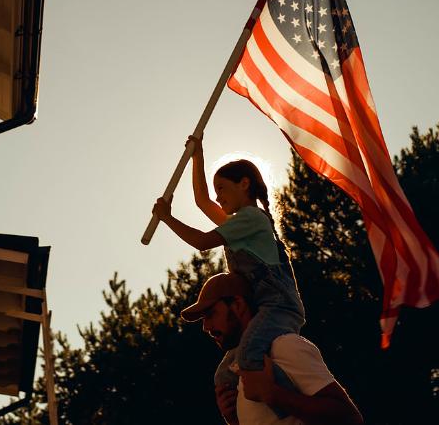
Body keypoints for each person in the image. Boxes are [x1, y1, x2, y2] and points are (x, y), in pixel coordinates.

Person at [153, 135, 305, 398]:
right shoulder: (240, 224)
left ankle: (293, 403)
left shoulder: (251, 218)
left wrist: (167, 218)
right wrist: (197, 155)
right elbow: (202, 201)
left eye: (222, 188)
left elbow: (201, 241)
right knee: (225, 373)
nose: (217, 196)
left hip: (279, 307)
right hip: (263, 309)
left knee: (247, 356)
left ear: (244, 184)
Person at [183, 272, 364, 425]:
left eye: (210, 314)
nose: (205, 327)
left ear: (238, 305)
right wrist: (233, 418)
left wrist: (272, 394)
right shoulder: (240, 367)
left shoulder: (285, 346)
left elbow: (350, 418)